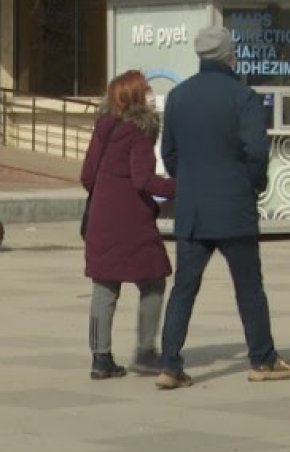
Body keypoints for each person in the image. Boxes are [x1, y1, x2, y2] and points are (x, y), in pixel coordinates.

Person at [156, 25, 290, 389]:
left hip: (192, 211)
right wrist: (252, 184)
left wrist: (190, 182)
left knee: (183, 288)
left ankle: (169, 365)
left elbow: (169, 155)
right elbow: (257, 152)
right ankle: (262, 359)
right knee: (249, 288)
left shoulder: (178, 97)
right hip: (234, 209)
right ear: (228, 56)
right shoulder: (243, 97)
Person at [80, 70, 175, 380]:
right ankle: (146, 352)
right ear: (136, 96)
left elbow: (86, 177)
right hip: (131, 220)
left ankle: (100, 358)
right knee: (153, 280)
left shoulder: (103, 127)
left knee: (104, 286)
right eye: (146, 90)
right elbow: (143, 178)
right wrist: (179, 187)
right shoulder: (139, 131)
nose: (150, 94)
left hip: (100, 219)